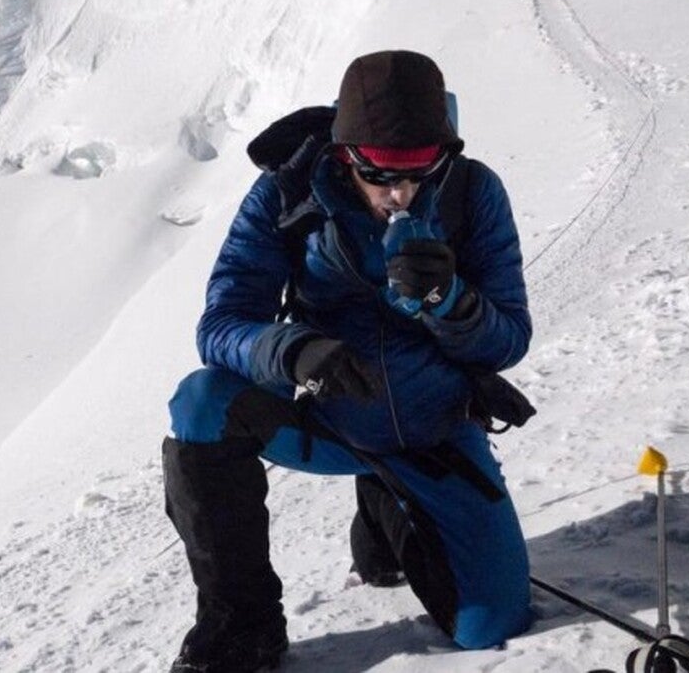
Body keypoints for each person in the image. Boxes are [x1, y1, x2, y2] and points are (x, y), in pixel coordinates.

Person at [163, 50, 534, 673]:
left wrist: (448, 300)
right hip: (325, 418)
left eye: (419, 173)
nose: (398, 193)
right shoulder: (286, 194)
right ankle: (242, 626)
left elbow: (509, 340)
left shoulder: (473, 192)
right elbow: (221, 325)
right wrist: (292, 350)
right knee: (202, 404)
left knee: (489, 624)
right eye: (378, 174)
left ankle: (388, 509)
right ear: (344, 155)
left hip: (432, 431)